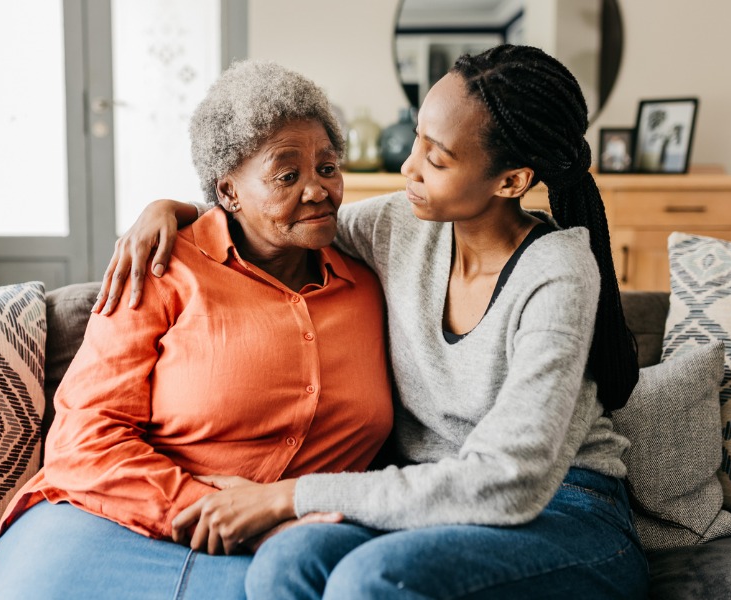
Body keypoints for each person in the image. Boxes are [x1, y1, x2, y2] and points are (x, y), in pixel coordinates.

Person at [94, 44, 649, 599]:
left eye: (437, 159)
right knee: (286, 560)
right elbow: (282, 218)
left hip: (565, 510)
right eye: (417, 141)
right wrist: (174, 210)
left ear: (511, 181)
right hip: (429, 510)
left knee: (372, 581)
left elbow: (510, 482)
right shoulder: (401, 225)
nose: (409, 168)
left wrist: (289, 496)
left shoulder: (558, 271)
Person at [0, 60, 393, 600]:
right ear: (228, 192)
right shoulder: (159, 266)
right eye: (287, 175)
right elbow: (85, 437)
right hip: (109, 521)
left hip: (290, 546)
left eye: (328, 168)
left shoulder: (372, 278)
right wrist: (209, 505)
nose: (318, 190)